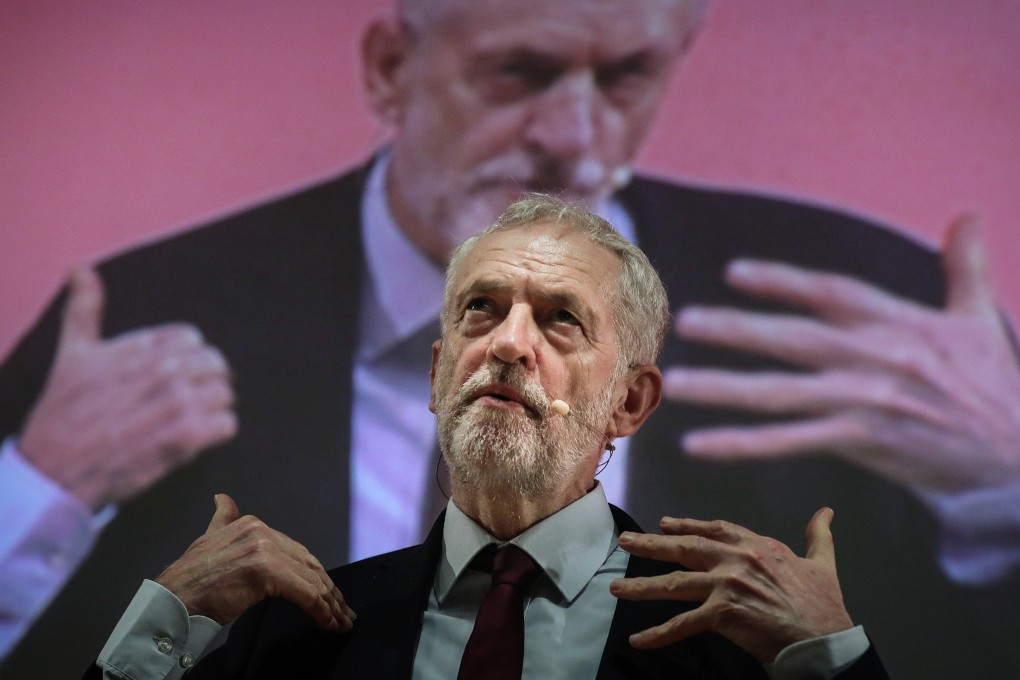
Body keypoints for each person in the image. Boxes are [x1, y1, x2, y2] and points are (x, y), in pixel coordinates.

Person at [1, 0, 1017, 677]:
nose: (575, 136)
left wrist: (1001, 489)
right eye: (518, 71)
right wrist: (35, 491)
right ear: (393, 64)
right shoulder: (140, 313)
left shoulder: (879, 317)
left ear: (634, 396)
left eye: (626, 75)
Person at [86, 197, 889, 679]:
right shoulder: (305, 632)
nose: (507, 343)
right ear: (439, 374)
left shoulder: (730, 635)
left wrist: (832, 659)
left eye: (559, 319)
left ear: (630, 401)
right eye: (482, 308)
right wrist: (167, 617)